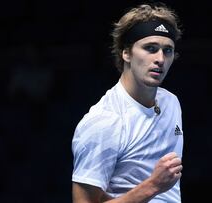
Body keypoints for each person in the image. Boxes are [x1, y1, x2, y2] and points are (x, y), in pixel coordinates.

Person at [72, 2, 184, 202]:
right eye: (150, 48)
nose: (160, 59)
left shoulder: (171, 103)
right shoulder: (104, 121)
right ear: (126, 53)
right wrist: (153, 186)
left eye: (167, 51)